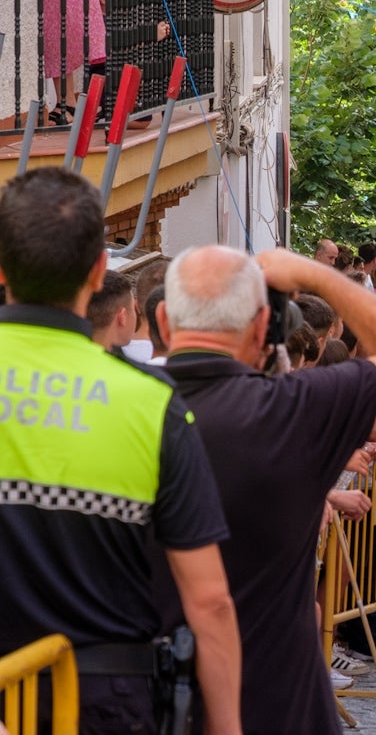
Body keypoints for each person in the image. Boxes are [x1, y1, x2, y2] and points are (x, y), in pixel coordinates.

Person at [156, 245, 376, 733]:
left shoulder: (116, 407)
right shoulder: (295, 410)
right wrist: (318, 275)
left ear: (164, 323)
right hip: (279, 699)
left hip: (141, 696)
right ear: (264, 329)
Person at [0, 168, 240, 732]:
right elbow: (209, 602)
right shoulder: (150, 404)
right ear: (98, 271)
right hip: (100, 700)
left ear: (3, 268)